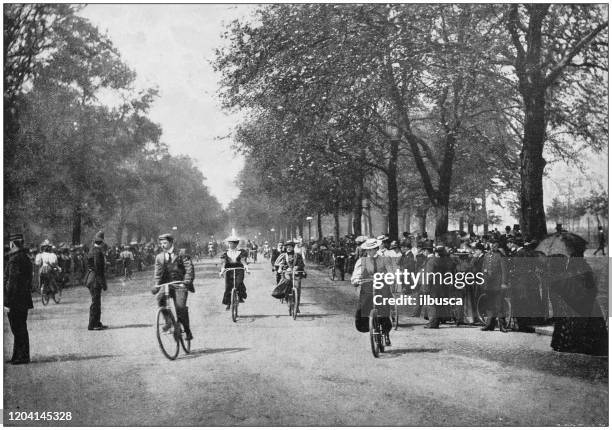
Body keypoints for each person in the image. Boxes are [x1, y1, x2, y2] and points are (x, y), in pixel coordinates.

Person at [153, 233, 195, 340]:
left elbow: (189, 269)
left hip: (180, 284)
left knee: (180, 307)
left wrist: (186, 281)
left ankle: (187, 330)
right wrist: (157, 285)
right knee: (159, 298)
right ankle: (168, 321)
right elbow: (158, 273)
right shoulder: (159, 257)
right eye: (161, 243)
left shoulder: (182, 253)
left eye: (165, 243)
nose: (162, 245)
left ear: (171, 242)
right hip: (167, 285)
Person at [351, 238, 392, 345]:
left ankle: (386, 332)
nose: (370, 251)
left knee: (384, 307)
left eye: (372, 249)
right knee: (362, 304)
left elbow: (390, 272)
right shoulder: (362, 261)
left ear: (376, 249)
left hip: (381, 285)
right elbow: (357, 273)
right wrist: (356, 279)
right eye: (368, 250)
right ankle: (367, 325)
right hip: (368, 286)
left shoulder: (384, 259)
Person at [4, 233, 33, 364]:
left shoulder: (14, 259)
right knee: (21, 327)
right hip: (24, 298)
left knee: (17, 328)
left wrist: (7, 302)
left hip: (15, 299)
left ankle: (22, 356)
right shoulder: (25, 258)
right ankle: (19, 355)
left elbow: (12, 282)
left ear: (13, 244)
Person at [423, 246, 456, 329]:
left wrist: (426, 285)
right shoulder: (449, 261)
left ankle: (433, 323)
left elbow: (429, 275)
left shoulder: (432, 261)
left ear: (436, 252)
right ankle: (438, 321)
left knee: (432, 304)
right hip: (445, 285)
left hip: (434, 285)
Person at [481, 236, 509, 332]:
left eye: (495, 245)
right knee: (489, 304)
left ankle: (502, 325)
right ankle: (489, 324)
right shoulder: (486, 255)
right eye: (492, 244)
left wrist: (504, 283)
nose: (493, 246)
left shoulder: (500, 255)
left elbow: (504, 270)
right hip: (488, 284)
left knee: (499, 305)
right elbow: (483, 269)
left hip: (498, 284)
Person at [85, 231, 108, 330]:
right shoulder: (98, 252)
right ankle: (92, 324)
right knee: (95, 302)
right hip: (95, 279)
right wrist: (103, 283)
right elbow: (98, 269)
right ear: (101, 243)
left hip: (91, 278)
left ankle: (97, 322)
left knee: (96, 302)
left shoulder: (92, 250)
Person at [274, 241, 306, 312]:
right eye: (287, 247)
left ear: (293, 247)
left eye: (290, 247)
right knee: (287, 284)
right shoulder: (283, 255)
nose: (288, 248)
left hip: (296, 274)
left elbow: (302, 264)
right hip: (287, 273)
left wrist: (297, 267)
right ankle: (288, 301)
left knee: (297, 289)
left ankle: (296, 307)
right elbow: (277, 263)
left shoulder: (298, 255)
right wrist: (282, 266)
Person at [219, 234, 249, 310]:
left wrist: (246, 268)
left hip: (239, 269)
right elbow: (223, 263)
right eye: (231, 243)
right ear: (229, 243)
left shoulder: (241, 252)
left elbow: (243, 261)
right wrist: (222, 271)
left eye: (234, 243)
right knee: (228, 286)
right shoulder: (225, 253)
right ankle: (228, 303)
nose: (232, 245)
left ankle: (240, 296)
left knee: (238, 283)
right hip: (229, 270)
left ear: (237, 244)